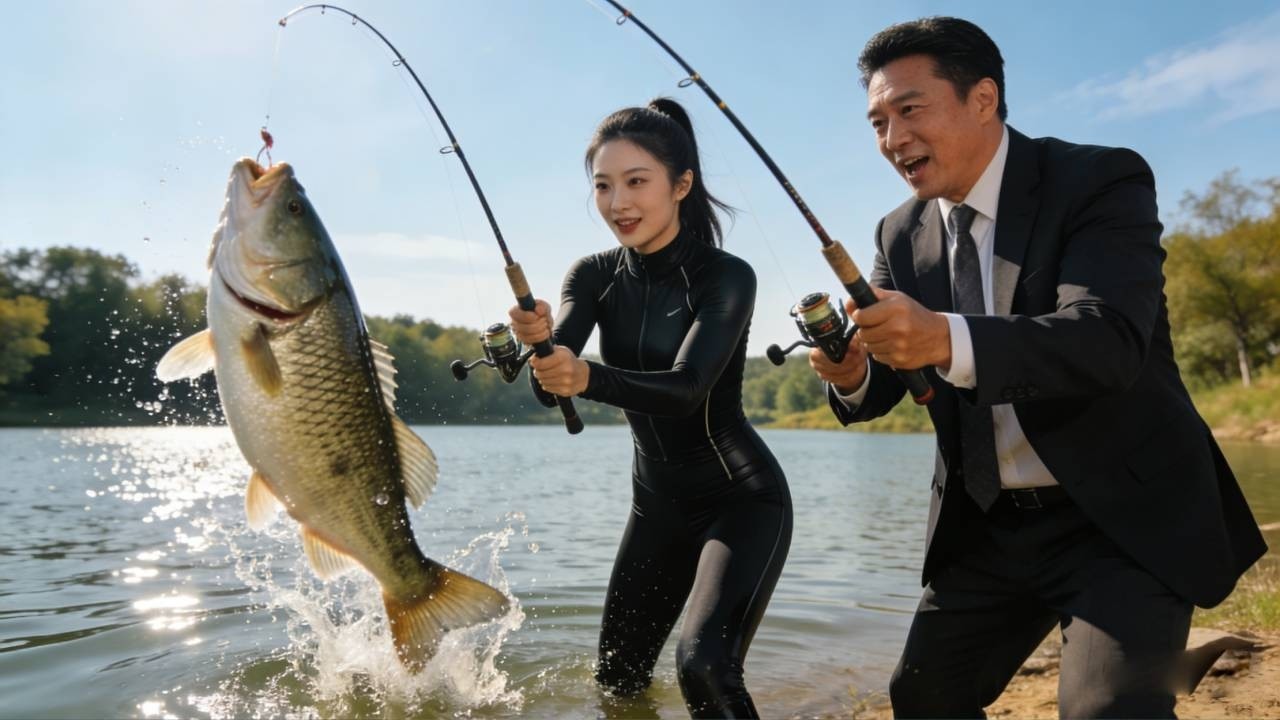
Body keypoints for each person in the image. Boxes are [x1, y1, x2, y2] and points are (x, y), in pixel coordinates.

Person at [809, 16, 1267, 718]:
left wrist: (943, 338)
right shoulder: (897, 233)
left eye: (909, 110)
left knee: (1106, 711)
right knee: (922, 697)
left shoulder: (1098, 179)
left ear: (983, 99)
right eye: (877, 122)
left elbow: (1107, 340)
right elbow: (893, 379)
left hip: (1118, 519)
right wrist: (851, 377)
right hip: (989, 527)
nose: (893, 140)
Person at [507, 97, 792, 718]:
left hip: (740, 502)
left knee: (704, 669)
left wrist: (585, 376)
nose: (618, 203)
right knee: (617, 681)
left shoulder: (726, 277)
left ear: (681, 185)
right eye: (603, 186)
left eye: (637, 182)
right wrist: (541, 352)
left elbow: (687, 387)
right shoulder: (593, 275)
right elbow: (549, 385)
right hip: (655, 506)